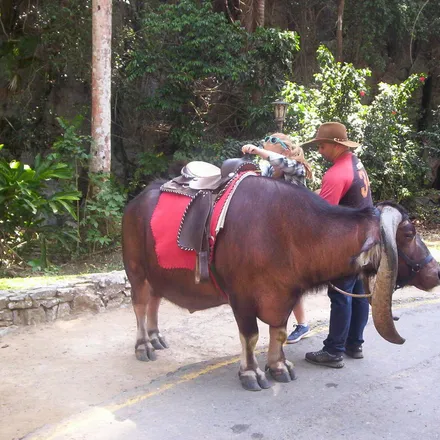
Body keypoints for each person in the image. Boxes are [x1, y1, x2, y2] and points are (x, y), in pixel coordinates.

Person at [300, 121, 373, 368]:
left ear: (335, 145)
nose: (319, 151)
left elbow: (322, 218)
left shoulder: (335, 174)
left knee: (340, 295)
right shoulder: (356, 164)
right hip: (366, 240)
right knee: (359, 294)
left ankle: (333, 351)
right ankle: (355, 343)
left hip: (345, 245)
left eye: (321, 146)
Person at [241, 133, 313, 344]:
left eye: (268, 153)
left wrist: (257, 150)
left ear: (284, 152)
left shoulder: (296, 168)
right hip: (277, 233)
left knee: (289, 282)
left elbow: (280, 162)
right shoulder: (270, 169)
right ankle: (297, 323)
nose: (266, 158)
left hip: (297, 233)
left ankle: (298, 324)